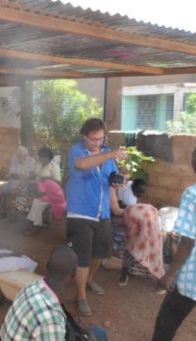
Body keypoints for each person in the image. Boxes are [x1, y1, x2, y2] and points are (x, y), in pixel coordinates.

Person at [152, 141, 196, 341]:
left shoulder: (194, 194)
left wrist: (169, 274)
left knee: (168, 317)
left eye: (193, 156)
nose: (191, 160)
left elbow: (188, 241)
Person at [66, 118, 127, 316]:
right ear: (84, 136)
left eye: (100, 139)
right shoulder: (76, 151)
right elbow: (83, 165)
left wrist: (117, 187)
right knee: (83, 258)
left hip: (103, 212)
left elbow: (109, 183)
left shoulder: (106, 155)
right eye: (93, 139)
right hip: (80, 211)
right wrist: (109, 153)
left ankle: (90, 279)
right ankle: (81, 296)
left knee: (100, 253)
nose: (96, 143)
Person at [0, 246, 107, 341]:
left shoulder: (32, 287)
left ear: (47, 266)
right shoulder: (51, 318)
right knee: (99, 335)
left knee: (96, 332)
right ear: (74, 273)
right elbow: (49, 321)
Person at [118, 204, 165, 293]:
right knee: (156, 258)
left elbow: (125, 224)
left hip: (135, 238)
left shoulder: (129, 209)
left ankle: (123, 278)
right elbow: (158, 227)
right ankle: (160, 285)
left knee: (128, 252)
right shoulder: (152, 211)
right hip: (151, 238)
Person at [0, 146, 35, 216]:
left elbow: (29, 178)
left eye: (26, 155)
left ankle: (19, 213)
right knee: (1, 190)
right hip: (12, 184)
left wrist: (19, 184)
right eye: (21, 156)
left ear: (27, 154)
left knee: (21, 195)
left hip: (24, 186)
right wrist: (21, 176)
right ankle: (2, 212)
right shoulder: (14, 159)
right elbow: (12, 174)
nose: (24, 157)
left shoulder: (32, 161)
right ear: (18, 155)